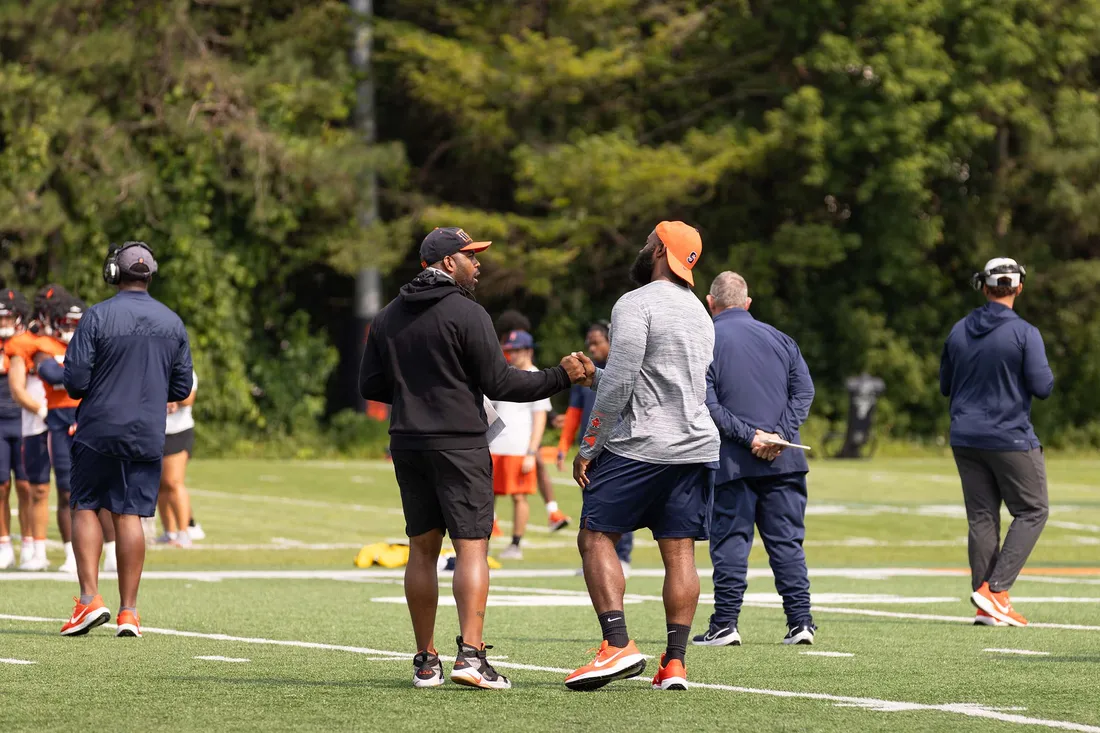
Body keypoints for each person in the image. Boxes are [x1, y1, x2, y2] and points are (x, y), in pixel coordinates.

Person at [358, 227, 591, 690]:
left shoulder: (386, 317)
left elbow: (370, 386)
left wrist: (415, 391)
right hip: (461, 444)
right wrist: (560, 376)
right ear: (447, 263)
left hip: (407, 442)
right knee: (471, 546)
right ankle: (471, 655)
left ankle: (426, 661)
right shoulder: (468, 313)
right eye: (470, 256)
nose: (478, 263)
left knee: (422, 550)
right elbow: (503, 384)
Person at [566, 221, 718, 693]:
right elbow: (661, 378)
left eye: (647, 242)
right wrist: (600, 377)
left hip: (640, 445)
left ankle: (616, 644)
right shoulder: (699, 312)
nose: (642, 246)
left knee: (594, 536)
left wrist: (588, 445)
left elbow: (627, 378)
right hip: (693, 446)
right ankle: (674, 663)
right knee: (680, 551)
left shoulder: (635, 303)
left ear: (658, 251)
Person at [59, 242, 193, 638]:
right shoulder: (172, 321)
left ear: (114, 273)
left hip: (99, 428)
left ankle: (88, 599)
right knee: (129, 514)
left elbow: (76, 381)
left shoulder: (98, 316)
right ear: (150, 275)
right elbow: (182, 386)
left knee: (85, 505)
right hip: (147, 433)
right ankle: (129, 612)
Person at [693, 272, 817, 647]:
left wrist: (750, 437)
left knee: (731, 541)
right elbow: (804, 391)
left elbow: (707, 403)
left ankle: (725, 623)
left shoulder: (706, 340)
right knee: (787, 543)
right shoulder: (782, 339)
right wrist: (778, 434)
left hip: (733, 462)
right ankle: (801, 623)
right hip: (786, 460)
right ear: (748, 303)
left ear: (710, 304)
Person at [940, 257, 1053, 628]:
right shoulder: (1025, 333)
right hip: (1010, 436)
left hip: (965, 436)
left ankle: (984, 603)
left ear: (984, 287)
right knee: (1033, 510)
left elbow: (945, 386)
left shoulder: (958, 330)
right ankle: (996, 590)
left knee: (983, 518)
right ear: (1019, 288)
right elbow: (1042, 387)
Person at [32, 292, 119, 575]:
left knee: (100, 486)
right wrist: (81, 374)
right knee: (67, 489)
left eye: (75, 324)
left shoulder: (93, 343)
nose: (70, 329)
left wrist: (72, 374)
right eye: (65, 323)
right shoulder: (45, 345)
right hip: (58, 419)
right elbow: (51, 374)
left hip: (89, 418)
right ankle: (71, 553)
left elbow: (71, 376)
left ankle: (112, 551)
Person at [557, 321, 634, 574]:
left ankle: (622, 556)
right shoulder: (584, 375)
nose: (592, 348)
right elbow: (573, 414)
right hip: (590, 449)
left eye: (596, 342)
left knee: (622, 500)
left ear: (611, 342)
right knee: (591, 499)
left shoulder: (623, 371)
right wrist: (562, 446)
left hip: (617, 446)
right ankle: (594, 558)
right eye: (589, 343)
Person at [494, 310, 571, 533]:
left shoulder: (527, 367)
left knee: (533, 465)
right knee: (488, 486)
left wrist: (551, 416)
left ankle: (552, 511)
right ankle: (549, 511)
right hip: (503, 433)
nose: (513, 350)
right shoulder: (502, 359)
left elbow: (535, 395)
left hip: (522, 435)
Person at [4, 285, 63, 571]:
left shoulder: (53, 342)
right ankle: (20, 546)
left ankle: (35, 544)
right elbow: (16, 386)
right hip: (22, 422)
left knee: (46, 487)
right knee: (17, 486)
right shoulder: (22, 345)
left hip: (48, 421)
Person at [490, 330, 552, 561]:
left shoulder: (537, 377)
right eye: (510, 350)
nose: (512, 354)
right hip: (495, 446)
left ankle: (515, 544)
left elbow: (539, 419)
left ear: (528, 351)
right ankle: (481, 542)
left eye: (517, 350)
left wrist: (531, 452)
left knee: (518, 496)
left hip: (518, 448)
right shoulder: (505, 375)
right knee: (486, 495)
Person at [0, 290, 32, 570]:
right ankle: (4, 543)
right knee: (1, 485)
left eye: (8, 316)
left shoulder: (27, 343)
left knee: (26, 485)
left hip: (23, 420)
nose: (4, 322)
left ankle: (32, 543)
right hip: (0, 421)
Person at [158, 370, 198, 547]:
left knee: (173, 482)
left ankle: (184, 533)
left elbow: (188, 399)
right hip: (155, 431)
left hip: (178, 432)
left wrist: (167, 395)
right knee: (160, 484)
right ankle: (169, 532)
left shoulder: (184, 370)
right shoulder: (152, 366)